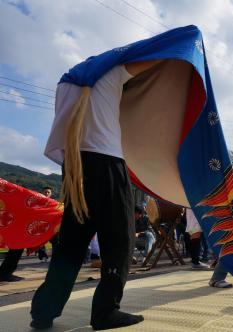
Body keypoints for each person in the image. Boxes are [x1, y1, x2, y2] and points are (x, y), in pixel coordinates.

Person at [31, 60, 162, 330]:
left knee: (72, 244)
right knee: (119, 241)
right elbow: (158, 59)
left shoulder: (67, 84)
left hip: (76, 167)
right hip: (107, 164)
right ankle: (105, 311)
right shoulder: (112, 73)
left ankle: (43, 311)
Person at [37, 187, 54, 263]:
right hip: (41, 225)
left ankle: (55, 257)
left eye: (48, 192)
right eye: (45, 192)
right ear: (42, 193)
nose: (46, 193)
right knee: (40, 242)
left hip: (51, 225)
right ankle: (43, 256)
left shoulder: (54, 202)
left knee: (55, 242)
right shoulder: (38, 202)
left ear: (51, 193)